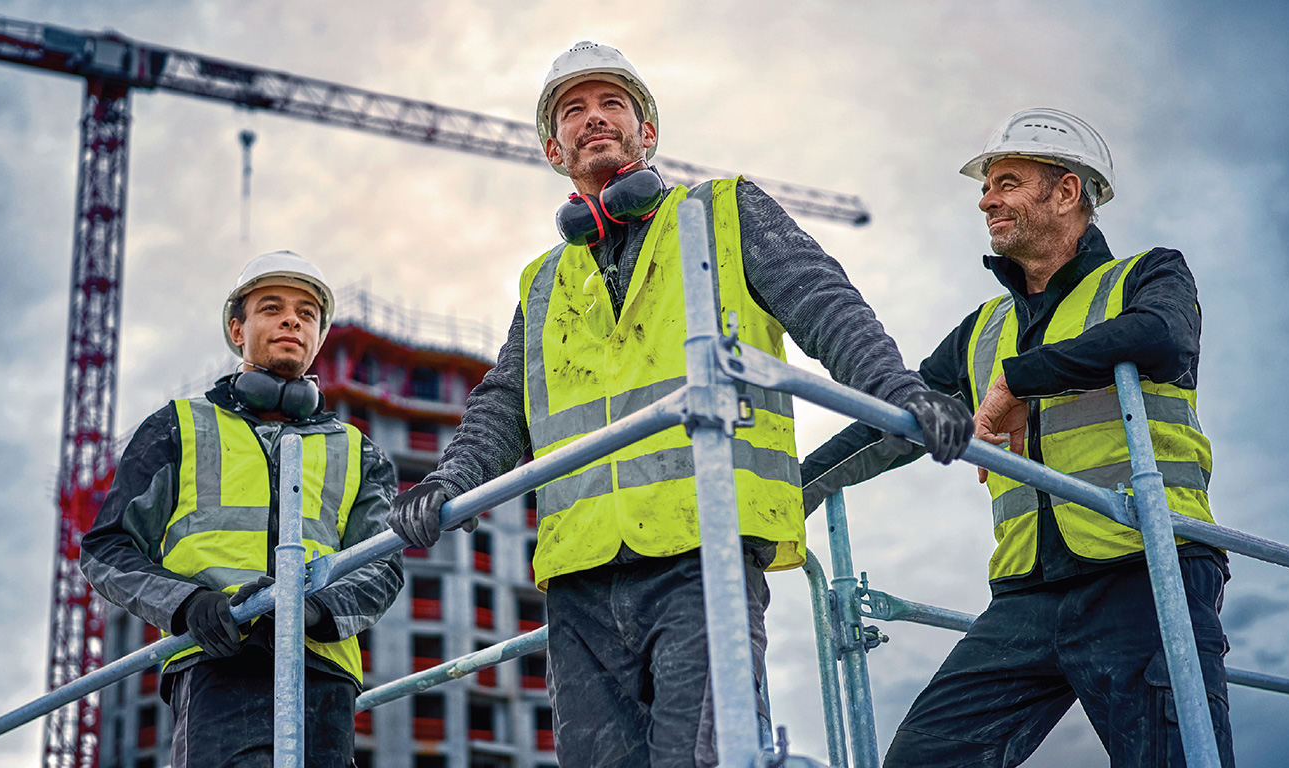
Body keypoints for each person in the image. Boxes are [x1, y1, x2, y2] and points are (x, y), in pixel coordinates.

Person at [386, 41, 973, 768]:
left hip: (703, 553)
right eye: (574, 111)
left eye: (613, 105)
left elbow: (826, 307)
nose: (594, 119)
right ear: (552, 149)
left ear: (648, 135)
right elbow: (504, 404)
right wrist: (449, 485)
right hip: (581, 580)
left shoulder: (724, 212)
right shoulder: (543, 281)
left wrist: (899, 390)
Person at [800, 107, 1232, 766]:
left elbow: (1161, 338)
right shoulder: (983, 328)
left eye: (1005, 182)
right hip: (1028, 596)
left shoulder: (1146, 279)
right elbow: (895, 422)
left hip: (1149, 571)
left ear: (1066, 193)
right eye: (986, 186)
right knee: (923, 756)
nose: (986, 200)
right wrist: (790, 490)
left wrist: (1018, 383)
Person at [79, 250, 403, 768]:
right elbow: (106, 549)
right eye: (271, 307)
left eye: (307, 313)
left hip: (323, 672)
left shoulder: (356, 450)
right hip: (216, 662)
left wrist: (318, 612)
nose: (292, 319)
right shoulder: (177, 428)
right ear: (237, 330)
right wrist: (189, 606)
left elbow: (382, 567)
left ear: (318, 338)